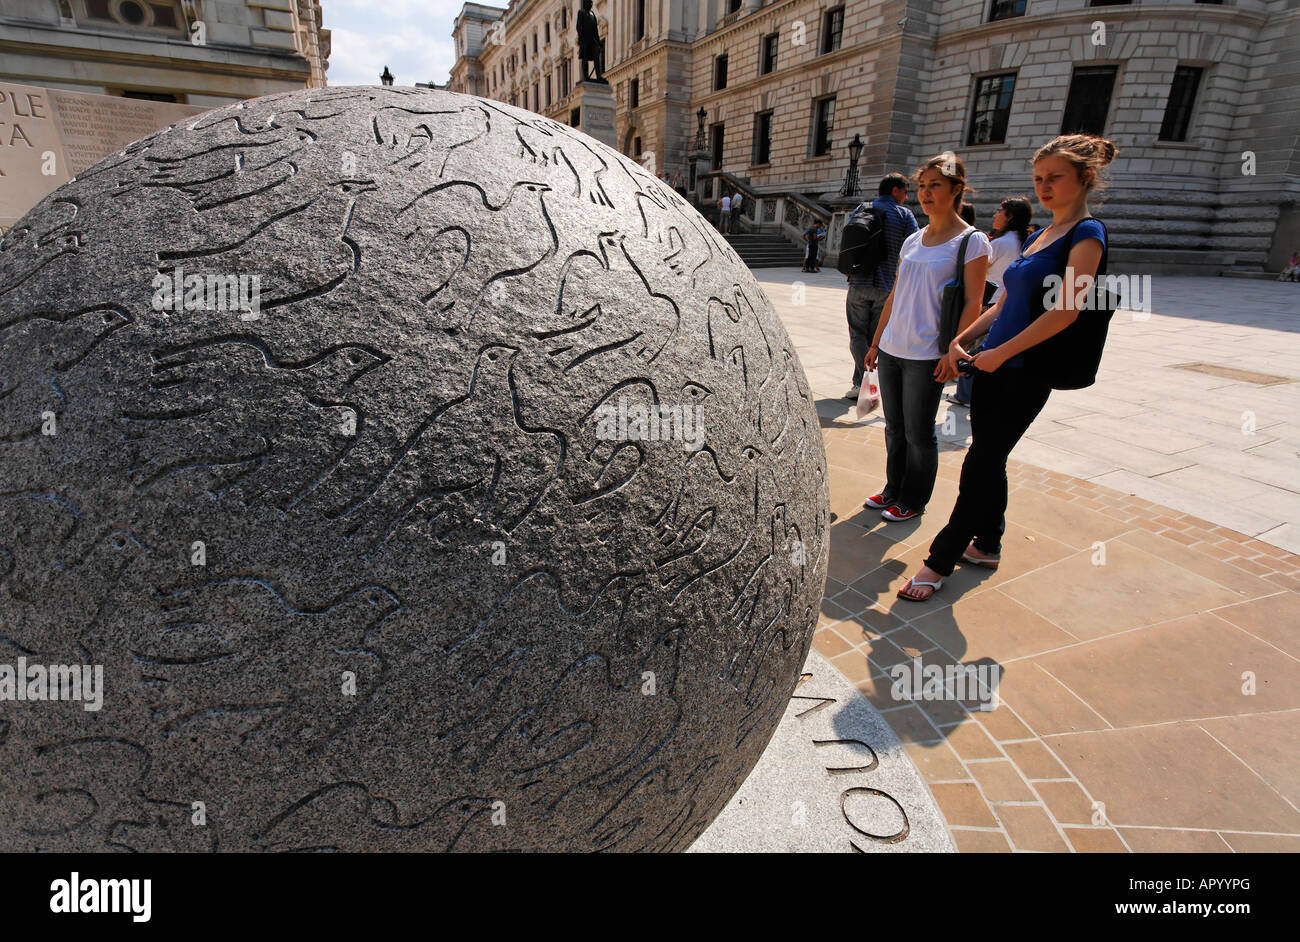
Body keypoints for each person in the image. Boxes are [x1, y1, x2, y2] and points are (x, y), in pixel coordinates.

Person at [896, 134, 1116, 601]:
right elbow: (1009, 299)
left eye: (1055, 177)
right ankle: (988, 545)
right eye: (1039, 178)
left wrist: (1000, 352)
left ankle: (939, 561)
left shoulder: (1087, 234)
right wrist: (965, 336)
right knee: (989, 458)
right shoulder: (1039, 235)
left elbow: (1066, 310)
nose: (1045, 186)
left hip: (1026, 370)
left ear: (1085, 178)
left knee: (980, 462)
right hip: (993, 363)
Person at [863, 153, 990, 523]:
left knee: (919, 432)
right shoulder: (913, 239)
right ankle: (893, 488)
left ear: (957, 189)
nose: (927, 193)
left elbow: (973, 301)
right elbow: (896, 293)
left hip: (927, 351)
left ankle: (914, 498)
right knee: (894, 426)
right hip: (892, 348)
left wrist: (955, 351)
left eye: (936, 185)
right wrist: (875, 342)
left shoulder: (972, 241)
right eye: (922, 185)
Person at [948, 196, 1032, 407]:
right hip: (1005, 301)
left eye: (999, 211)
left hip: (989, 301)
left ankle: (965, 395)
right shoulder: (1023, 242)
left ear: (1009, 216)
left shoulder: (1001, 243)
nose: (995, 214)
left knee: (971, 349)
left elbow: (978, 268)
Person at [845, 172, 919, 400]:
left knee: (858, 334)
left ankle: (861, 383)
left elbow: (849, 239)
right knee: (875, 338)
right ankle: (867, 384)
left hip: (859, 281)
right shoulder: (905, 216)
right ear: (895, 190)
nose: (906, 198)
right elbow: (915, 248)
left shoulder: (863, 208)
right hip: (887, 285)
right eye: (905, 192)